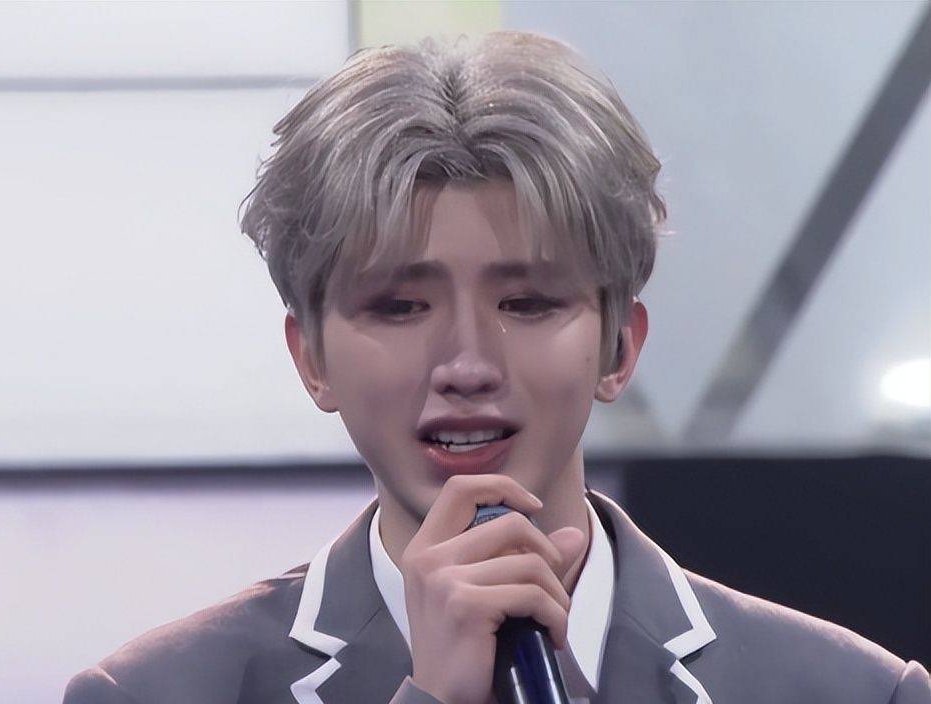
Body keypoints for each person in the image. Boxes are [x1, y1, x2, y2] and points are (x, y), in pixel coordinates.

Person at [63, 31, 929, 704]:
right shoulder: (159, 693)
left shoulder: (848, 691)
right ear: (311, 358)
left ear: (619, 346)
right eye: (399, 307)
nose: (468, 365)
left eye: (528, 303)